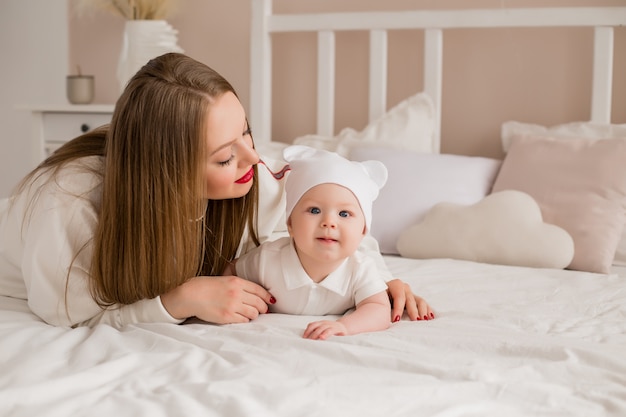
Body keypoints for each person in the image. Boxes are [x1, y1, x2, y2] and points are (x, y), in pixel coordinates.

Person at [0, 52, 433, 329]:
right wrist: (179, 299)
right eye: (225, 157)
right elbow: (67, 312)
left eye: (247, 133)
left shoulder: (254, 175)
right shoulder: (67, 204)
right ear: (165, 172)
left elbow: (331, 213)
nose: (253, 158)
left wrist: (382, 277)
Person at [226, 145, 391, 340]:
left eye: (344, 214)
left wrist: (344, 326)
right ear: (290, 224)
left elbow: (379, 309)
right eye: (314, 210)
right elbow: (229, 274)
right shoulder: (266, 260)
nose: (329, 222)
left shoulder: (361, 269)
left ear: (363, 230)